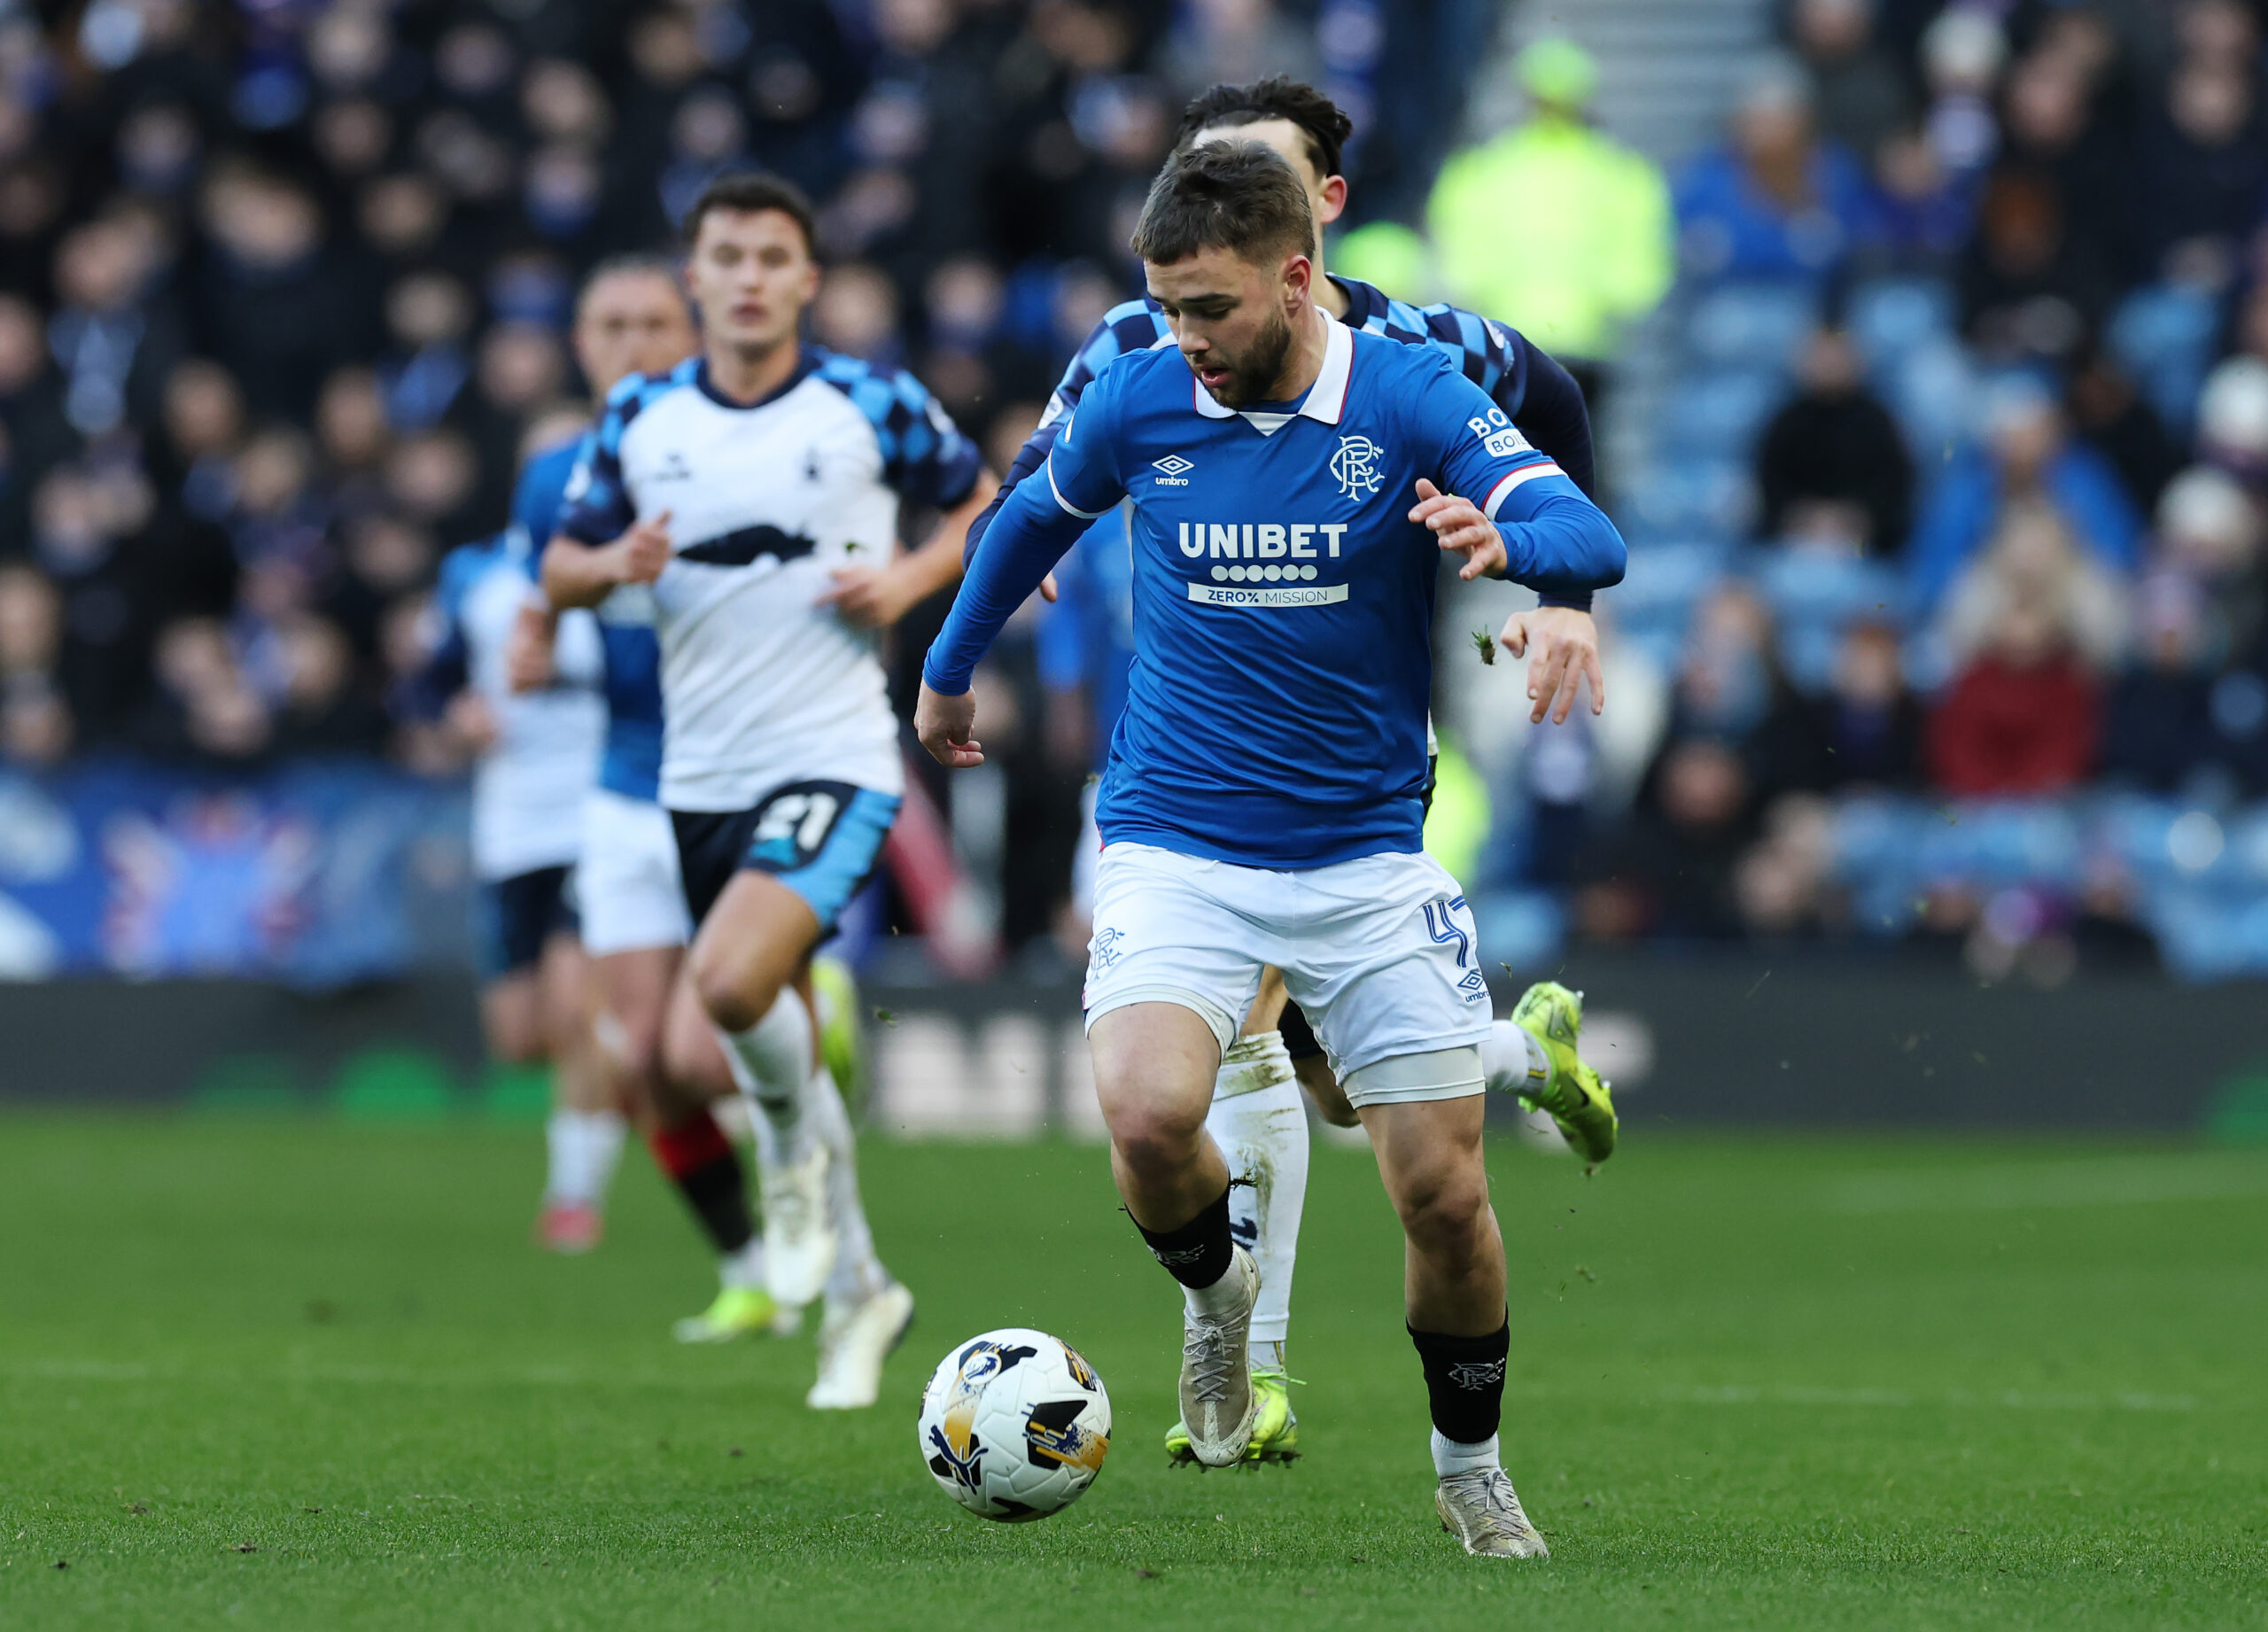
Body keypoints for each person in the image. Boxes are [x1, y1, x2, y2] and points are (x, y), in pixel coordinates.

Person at [918, 142, 1626, 1557]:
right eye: (1167, 308)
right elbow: (1026, 518)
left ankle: (1469, 1468)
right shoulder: (1141, 396)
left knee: (1440, 1191)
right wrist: (946, 672)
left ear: (1299, 278)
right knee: (1144, 1112)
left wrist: (1527, 557)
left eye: (1214, 310)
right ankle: (1220, 1301)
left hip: (1366, 858)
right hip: (1180, 838)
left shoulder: (1409, 391)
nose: (1188, 340)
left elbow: (1581, 518)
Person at [545, 173, 994, 1410]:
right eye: (727, 256)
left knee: (735, 988)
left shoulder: (867, 401)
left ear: (807, 279)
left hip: (834, 758)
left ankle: (791, 1167)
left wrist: (906, 586)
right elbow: (560, 563)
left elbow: (986, 505)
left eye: (772, 257)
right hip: (698, 780)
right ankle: (860, 1292)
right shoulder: (640, 416)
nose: (748, 277)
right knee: (748, 1030)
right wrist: (609, 564)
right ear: (697, 279)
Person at [508, 256, 804, 1344]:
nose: (627, 341)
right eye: (606, 323)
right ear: (580, 343)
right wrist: (529, 641)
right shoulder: (552, 479)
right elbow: (538, 593)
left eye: (648, 323)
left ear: (684, 336)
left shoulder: (736, 455)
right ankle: (749, 1268)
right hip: (625, 789)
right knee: (640, 1063)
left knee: (691, 1049)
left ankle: (820, 1076)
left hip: (742, 777)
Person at [394, 458, 615, 1252]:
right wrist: (457, 714)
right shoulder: (475, 576)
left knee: (572, 1007)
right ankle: (633, 1066)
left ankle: (573, 1196)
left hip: (600, 816)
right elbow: (426, 682)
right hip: (514, 822)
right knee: (519, 1037)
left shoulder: (623, 572)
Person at [1425, 40, 1674, 416]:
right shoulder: (1619, 170)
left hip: (1521, 339)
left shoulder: (1485, 168)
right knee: (1577, 456)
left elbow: (1460, 253)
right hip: (1581, 339)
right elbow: (1641, 263)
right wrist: (1616, 300)